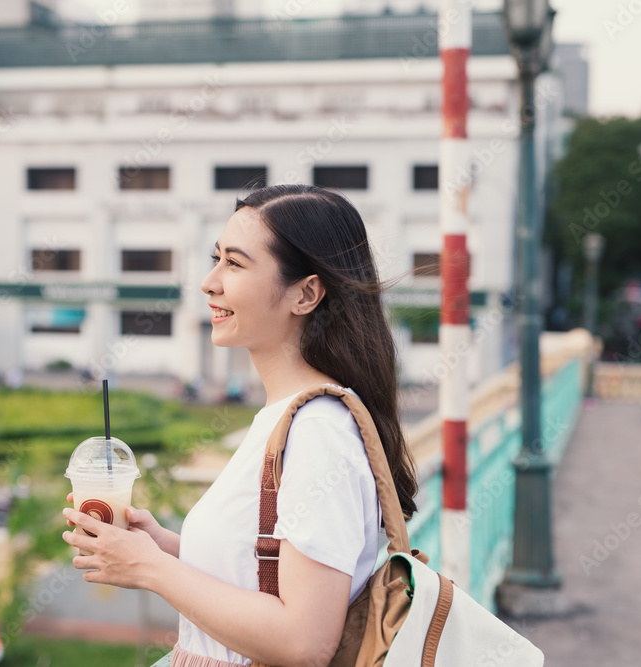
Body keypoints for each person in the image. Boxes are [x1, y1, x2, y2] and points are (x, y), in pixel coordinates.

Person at [62, 184, 418, 666]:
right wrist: (160, 549)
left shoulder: (318, 432)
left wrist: (150, 570)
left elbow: (304, 643)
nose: (209, 282)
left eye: (234, 263)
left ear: (306, 293)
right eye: (216, 259)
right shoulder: (286, 416)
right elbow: (261, 572)